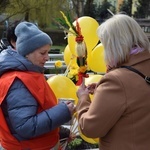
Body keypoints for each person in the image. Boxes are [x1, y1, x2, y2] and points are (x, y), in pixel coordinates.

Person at [76, 14, 150, 150]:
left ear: (114, 46)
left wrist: (83, 98)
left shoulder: (116, 80)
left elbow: (90, 128)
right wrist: (102, 90)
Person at [0, 21, 75, 150]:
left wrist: (62, 131)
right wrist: (63, 111)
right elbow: (25, 126)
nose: (47, 57)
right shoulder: (18, 80)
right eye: (42, 53)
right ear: (27, 53)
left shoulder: (27, 74)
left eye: (48, 52)